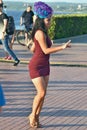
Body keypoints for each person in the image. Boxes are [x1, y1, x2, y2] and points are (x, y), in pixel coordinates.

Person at [28, 1, 71, 128]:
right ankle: (32, 115)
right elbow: (46, 50)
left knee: (43, 94)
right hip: (36, 66)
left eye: (50, 19)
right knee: (40, 93)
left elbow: (36, 48)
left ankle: (37, 117)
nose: (50, 22)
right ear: (41, 20)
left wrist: (34, 46)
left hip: (45, 65)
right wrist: (62, 47)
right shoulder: (40, 33)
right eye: (48, 20)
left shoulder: (43, 32)